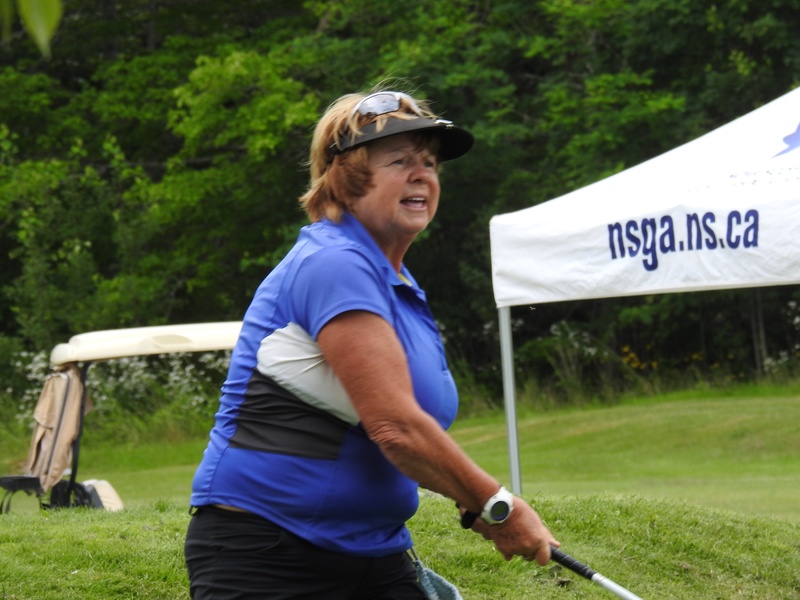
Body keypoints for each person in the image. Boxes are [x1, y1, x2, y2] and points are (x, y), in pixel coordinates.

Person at [184, 87, 559, 600]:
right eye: (400, 160)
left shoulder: (394, 281)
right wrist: (497, 506)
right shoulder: (334, 262)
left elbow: (384, 426)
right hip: (269, 554)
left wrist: (467, 495)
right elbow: (395, 428)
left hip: (373, 553)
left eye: (430, 163)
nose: (422, 174)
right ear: (345, 177)